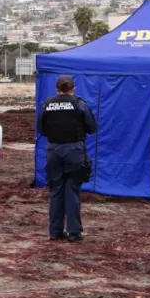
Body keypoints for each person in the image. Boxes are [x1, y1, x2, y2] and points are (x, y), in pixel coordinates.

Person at [37, 75, 97, 242]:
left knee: (56, 191)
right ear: (73, 88)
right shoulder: (80, 104)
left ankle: (55, 232)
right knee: (72, 191)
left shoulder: (47, 105)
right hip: (74, 151)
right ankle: (74, 232)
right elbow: (92, 128)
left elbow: (41, 129)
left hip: (53, 151)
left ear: (57, 89)